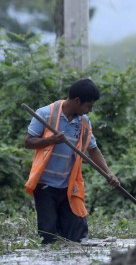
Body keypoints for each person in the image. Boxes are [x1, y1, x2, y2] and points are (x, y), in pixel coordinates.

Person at [24, 78, 120, 244]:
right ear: (77, 101)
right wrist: (51, 140)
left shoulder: (83, 122)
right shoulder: (45, 113)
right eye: (88, 106)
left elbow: (93, 150)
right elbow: (28, 142)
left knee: (77, 237)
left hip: (69, 186)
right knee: (48, 237)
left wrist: (108, 174)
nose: (90, 110)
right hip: (45, 186)